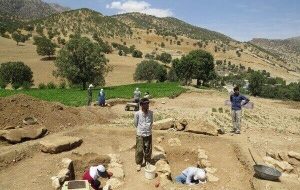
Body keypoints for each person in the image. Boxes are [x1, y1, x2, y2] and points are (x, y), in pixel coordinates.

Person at [134, 98, 153, 171]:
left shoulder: (151, 113)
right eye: (146, 104)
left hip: (148, 133)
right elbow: (136, 124)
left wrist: (147, 128)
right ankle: (139, 163)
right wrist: (141, 129)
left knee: (148, 149)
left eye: (148, 103)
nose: (148, 105)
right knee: (139, 149)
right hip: (140, 134)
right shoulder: (137, 114)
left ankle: (147, 161)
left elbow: (151, 122)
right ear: (141, 105)